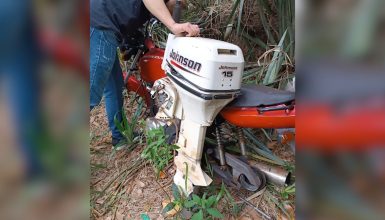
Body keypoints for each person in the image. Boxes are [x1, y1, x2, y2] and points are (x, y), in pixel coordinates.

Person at [90, 0, 199, 146]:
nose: (176, 9)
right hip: (100, 26)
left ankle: (121, 137)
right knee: (91, 93)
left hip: (102, 25)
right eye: (179, 4)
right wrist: (173, 25)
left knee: (115, 87)